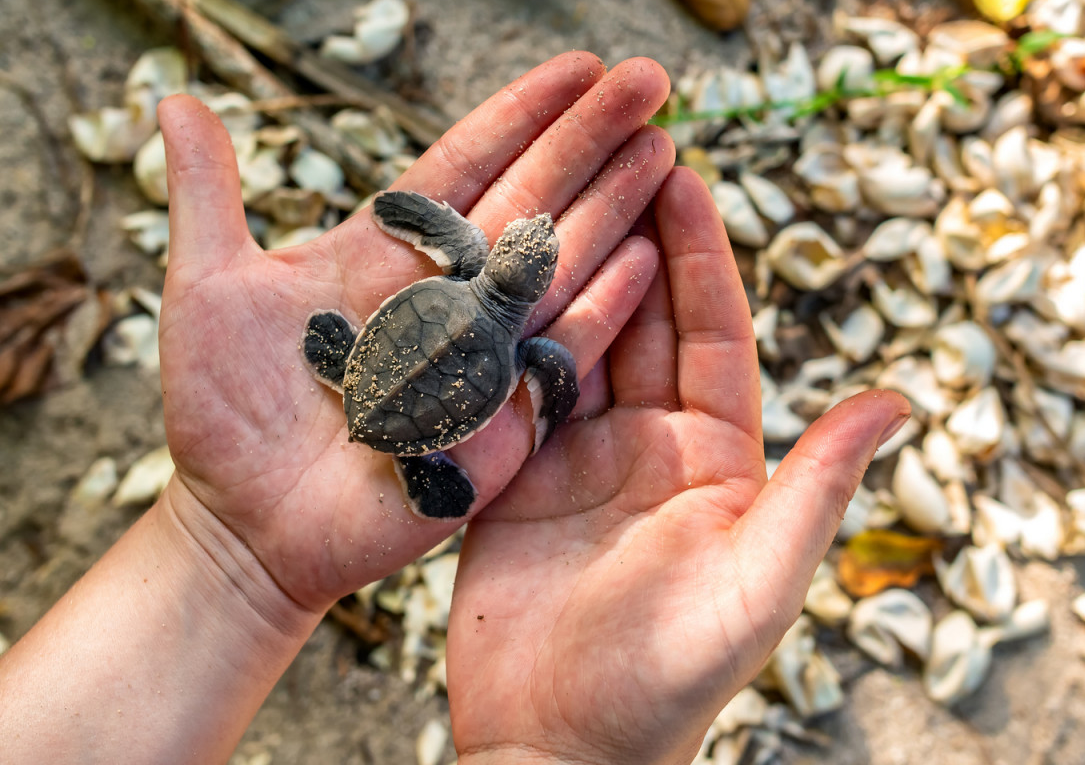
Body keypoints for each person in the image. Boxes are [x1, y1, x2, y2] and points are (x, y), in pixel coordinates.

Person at [0, 52, 909, 763]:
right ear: (537, 283)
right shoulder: (531, 349)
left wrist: (404, 212)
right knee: (478, 396)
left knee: (371, 362)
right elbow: (548, 377)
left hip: (399, 348)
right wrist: (549, 394)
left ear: (500, 260)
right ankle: (404, 449)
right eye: (534, 245)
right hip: (459, 375)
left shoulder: (471, 269)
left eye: (527, 244)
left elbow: (428, 223)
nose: (533, 240)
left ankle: (350, 379)